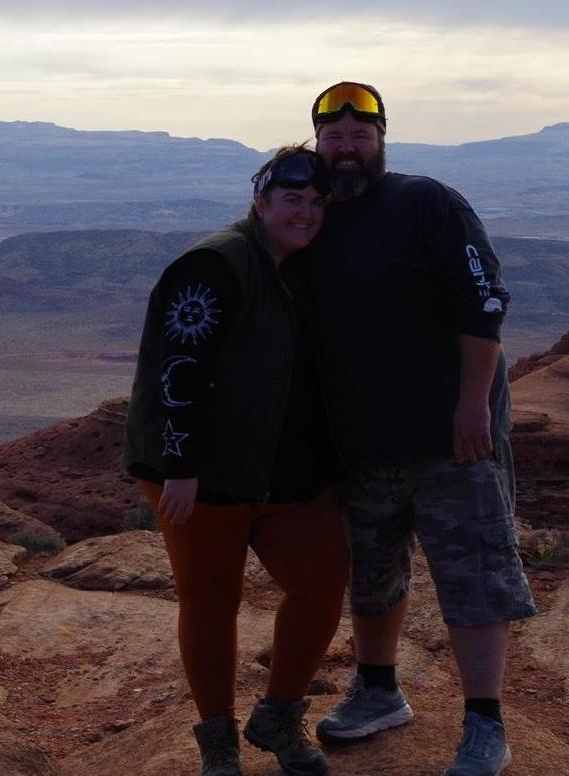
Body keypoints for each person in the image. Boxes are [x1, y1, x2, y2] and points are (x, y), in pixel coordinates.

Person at [285, 81, 537, 776]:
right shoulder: (314, 218)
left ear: (381, 141)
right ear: (318, 144)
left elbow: (483, 303)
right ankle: (378, 691)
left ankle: (485, 725)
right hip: (362, 442)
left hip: (452, 438)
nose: (346, 147)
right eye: (333, 137)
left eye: (359, 136)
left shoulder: (427, 202)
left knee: (473, 576)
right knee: (373, 575)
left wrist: (471, 405)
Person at [124, 146, 349, 776]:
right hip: (205, 477)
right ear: (260, 201)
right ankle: (218, 743)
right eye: (292, 200)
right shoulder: (216, 263)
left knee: (321, 584)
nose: (305, 213)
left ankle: (277, 716)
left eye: (316, 203)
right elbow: (180, 369)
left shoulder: (299, 265)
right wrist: (180, 467)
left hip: (287, 474)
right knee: (210, 603)